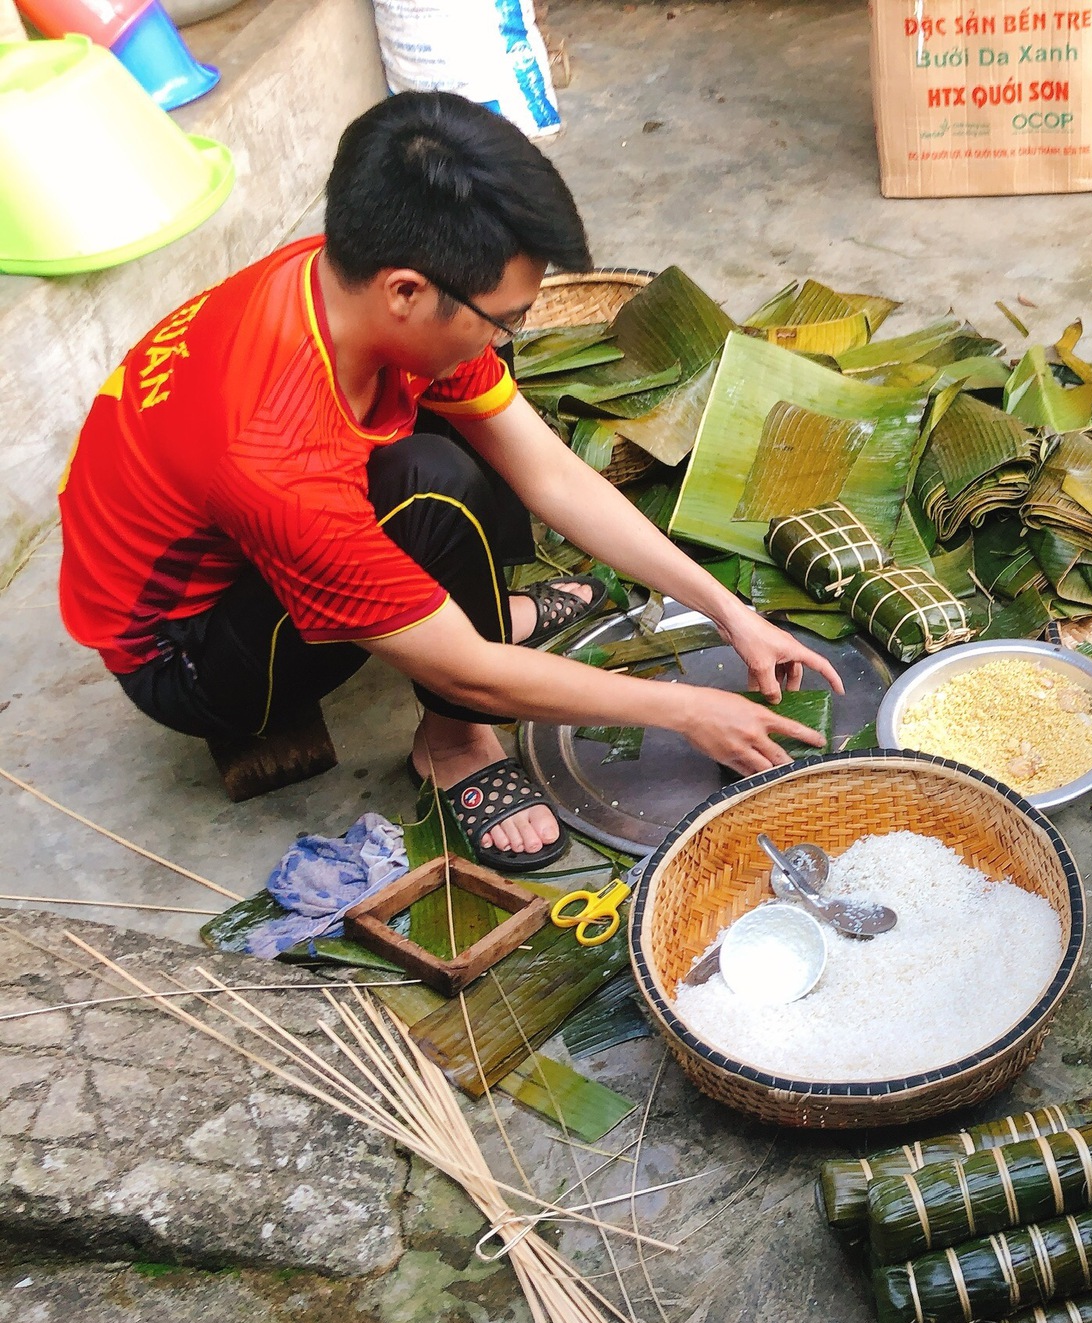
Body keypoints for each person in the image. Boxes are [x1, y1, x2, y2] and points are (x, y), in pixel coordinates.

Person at [56, 92, 837, 873]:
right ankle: (455, 742)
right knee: (433, 484)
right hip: (186, 657)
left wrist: (726, 610)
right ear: (406, 291)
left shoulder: (338, 281)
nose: (505, 335)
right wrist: (689, 711)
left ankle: (478, 614)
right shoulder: (273, 457)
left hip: (261, 524)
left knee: (474, 432)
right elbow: (465, 670)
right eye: (502, 318)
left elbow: (548, 473)